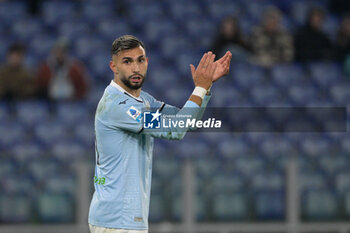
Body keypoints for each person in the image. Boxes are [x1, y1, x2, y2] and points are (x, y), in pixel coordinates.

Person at [88, 35, 232, 233]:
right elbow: (176, 129)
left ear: (147, 62)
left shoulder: (143, 100)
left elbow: (186, 122)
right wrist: (199, 87)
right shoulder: (117, 106)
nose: (136, 68)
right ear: (113, 67)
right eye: (127, 61)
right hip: (116, 220)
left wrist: (205, 88)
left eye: (140, 60)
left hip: (124, 220)